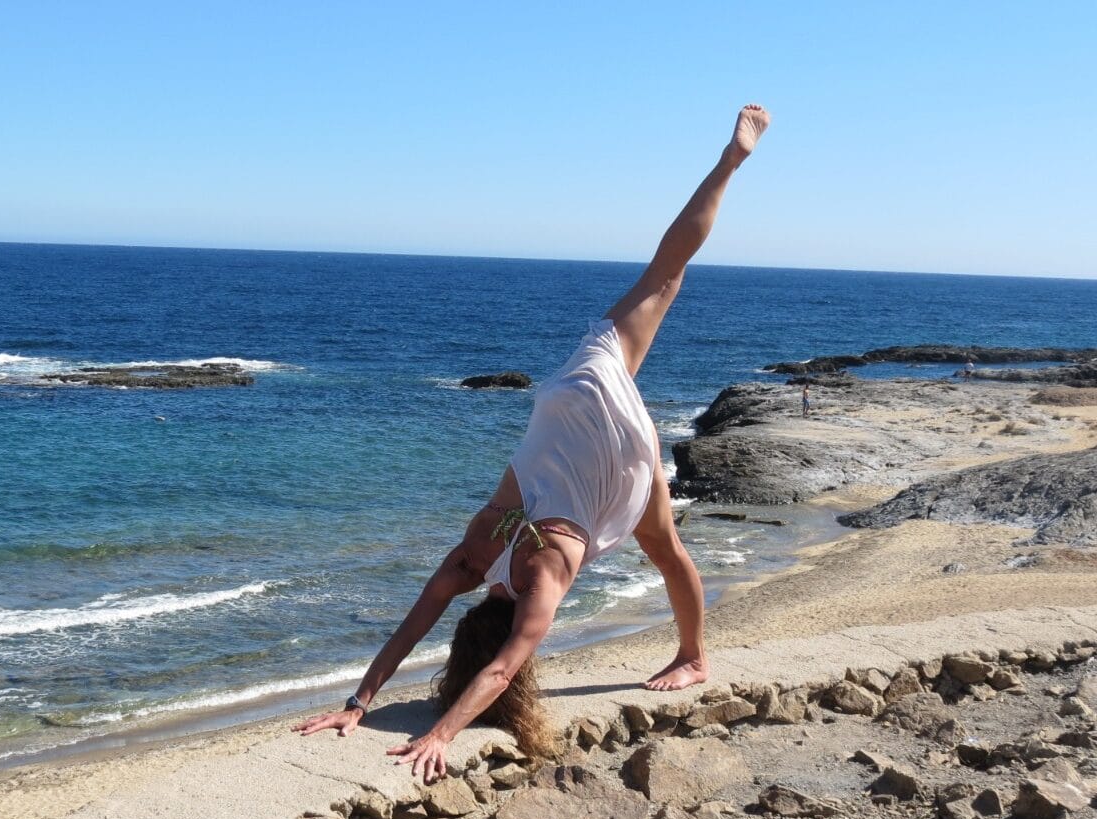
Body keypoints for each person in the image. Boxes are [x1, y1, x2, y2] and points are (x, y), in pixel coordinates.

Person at [295, 105, 772, 782]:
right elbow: (412, 629)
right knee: (667, 270)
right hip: (572, 400)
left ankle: (694, 655)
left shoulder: (541, 578)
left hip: (622, 464)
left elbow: (502, 667)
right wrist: (358, 702)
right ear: (469, 620)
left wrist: (439, 732)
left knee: (666, 550)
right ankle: (729, 162)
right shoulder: (474, 557)